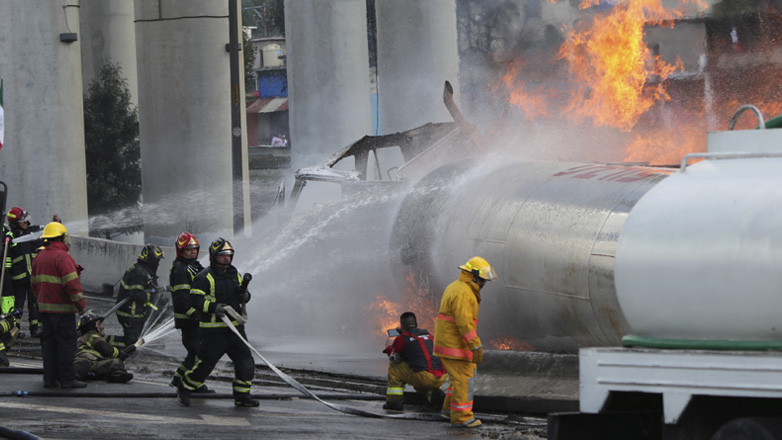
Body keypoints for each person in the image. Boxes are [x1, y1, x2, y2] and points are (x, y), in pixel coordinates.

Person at [177, 238, 257, 407]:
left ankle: (242, 396)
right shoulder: (204, 276)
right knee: (205, 366)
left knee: (246, 363)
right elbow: (195, 300)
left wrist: (245, 297)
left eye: (228, 255)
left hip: (235, 330)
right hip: (213, 331)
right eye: (222, 255)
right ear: (214, 256)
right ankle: (184, 388)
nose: (226, 258)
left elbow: (241, 296)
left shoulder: (234, 273)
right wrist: (214, 307)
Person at [433, 256, 497, 428]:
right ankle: (462, 417)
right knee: (464, 380)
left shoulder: (459, 287)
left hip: (452, 345)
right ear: (473, 275)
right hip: (454, 346)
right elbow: (464, 322)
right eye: (482, 280)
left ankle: (449, 411)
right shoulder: (463, 292)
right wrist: (475, 345)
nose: (484, 283)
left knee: (457, 380)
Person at [30, 222, 88, 388]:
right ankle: (67, 379)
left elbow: (33, 284)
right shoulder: (63, 257)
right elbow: (72, 286)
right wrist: (81, 307)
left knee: (49, 344)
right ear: (61, 238)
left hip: (45, 310)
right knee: (66, 344)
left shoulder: (39, 257)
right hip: (63, 311)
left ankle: (50, 379)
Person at [6, 207, 58, 338]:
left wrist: (56, 223)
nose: (25, 222)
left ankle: (35, 329)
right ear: (14, 222)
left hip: (34, 277)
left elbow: (49, 231)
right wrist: (7, 274)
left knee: (35, 303)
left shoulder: (33, 232)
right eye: (22, 220)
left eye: (25, 219)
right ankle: (15, 329)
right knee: (17, 305)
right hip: (18, 279)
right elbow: (7, 258)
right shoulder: (10, 237)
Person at [168, 232, 209, 392]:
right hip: (189, 320)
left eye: (195, 248)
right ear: (181, 251)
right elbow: (182, 298)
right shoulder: (180, 268)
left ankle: (178, 379)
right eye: (188, 249)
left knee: (193, 353)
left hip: (196, 318)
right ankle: (195, 384)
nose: (192, 252)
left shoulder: (194, 266)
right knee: (199, 354)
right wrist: (195, 314)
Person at [382, 311, 447, 412]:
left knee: (394, 367)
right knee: (416, 371)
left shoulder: (402, 338)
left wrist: (388, 347)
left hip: (424, 377)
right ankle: (435, 395)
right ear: (416, 324)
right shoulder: (429, 335)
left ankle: (394, 402)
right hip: (441, 377)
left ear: (402, 326)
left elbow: (393, 355)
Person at [109, 244, 164, 349]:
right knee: (131, 344)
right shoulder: (140, 273)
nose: (158, 264)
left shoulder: (144, 270)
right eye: (157, 261)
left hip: (135, 313)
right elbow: (135, 294)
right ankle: (104, 342)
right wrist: (152, 296)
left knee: (137, 340)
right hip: (129, 313)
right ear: (150, 260)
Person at [74, 311, 134, 383]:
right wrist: (119, 353)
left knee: (116, 362)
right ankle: (73, 376)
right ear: (91, 326)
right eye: (99, 324)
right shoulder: (90, 335)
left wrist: (119, 357)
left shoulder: (97, 337)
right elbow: (106, 349)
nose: (102, 326)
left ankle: (117, 376)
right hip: (83, 361)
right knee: (84, 364)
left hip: (95, 364)